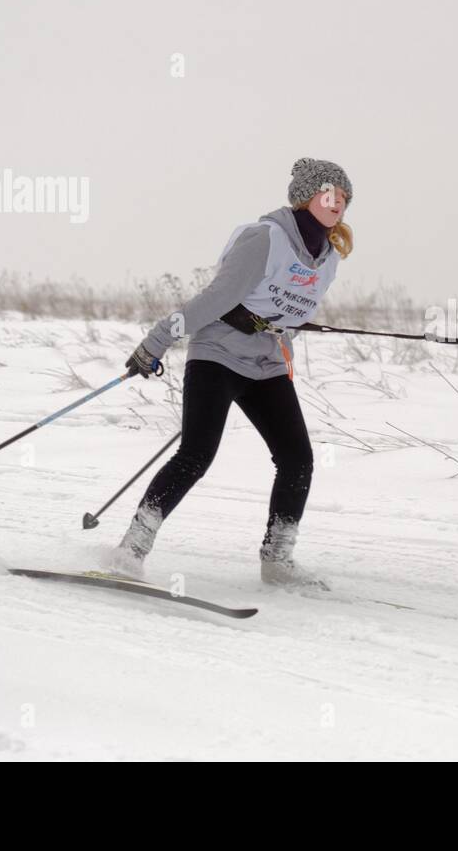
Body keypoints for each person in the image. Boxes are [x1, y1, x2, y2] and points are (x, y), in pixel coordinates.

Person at [109, 157, 353, 585]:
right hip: (218, 352)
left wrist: (284, 333)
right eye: (329, 194)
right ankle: (131, 549)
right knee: (196, 455)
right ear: (306, 197)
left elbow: (292, 313)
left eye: (345, 198)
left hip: (266, 362)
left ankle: (277, 561)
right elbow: (215, 298)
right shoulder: (266, 238)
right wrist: (158, 340)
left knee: (298, 459)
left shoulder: (328, 257)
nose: (338, 204)